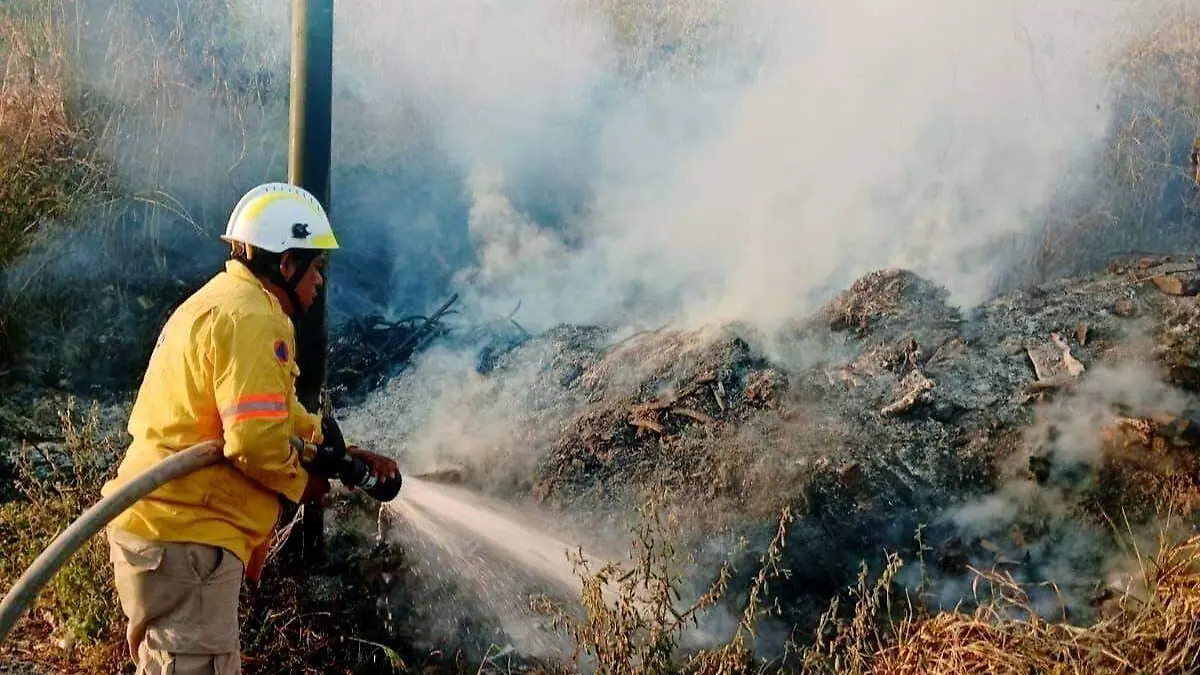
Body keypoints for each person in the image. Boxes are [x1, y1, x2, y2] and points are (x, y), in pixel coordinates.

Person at [100, 182, 399, 675]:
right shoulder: (256, 318)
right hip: (186, 541)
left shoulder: (223, 302)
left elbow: (265, 413)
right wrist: (306, 485)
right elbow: (256, 441)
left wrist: (339, 451)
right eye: (316, 268)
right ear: (286, 264)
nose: (319, 282)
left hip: (168, 536)